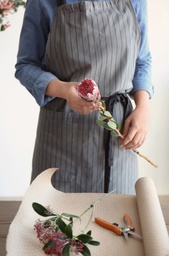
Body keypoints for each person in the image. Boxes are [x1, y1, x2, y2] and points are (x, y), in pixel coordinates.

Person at [15, 0, 154, 194]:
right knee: (53, 219)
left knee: (118, 218)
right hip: (62, 134)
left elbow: (142, 61)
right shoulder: (42, 2)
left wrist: (143, 108)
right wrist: (63, 90)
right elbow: (26, 65)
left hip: (118, 131)